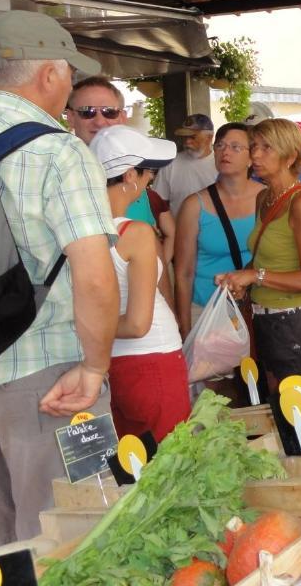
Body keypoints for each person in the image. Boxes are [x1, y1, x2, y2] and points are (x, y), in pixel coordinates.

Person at [0, 10, 118, 551]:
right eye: (68, 74)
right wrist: (95, 367)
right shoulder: (57, 150)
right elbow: (95, 275)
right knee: (80, 531)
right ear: (48, 75)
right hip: (49, 377)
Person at [90, 125, 190, 441]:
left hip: (107, 362)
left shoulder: (78, 229)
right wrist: (84, 327)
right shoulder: (135, 232)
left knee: (131, 465)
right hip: (153, 360)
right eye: (149, 174)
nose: (150, 182)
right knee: (173, 464)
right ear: (131, 176)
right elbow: (137, 324)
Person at [215, 119, 301, 386]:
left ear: (289, 157)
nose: (255, 154)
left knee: (298, 410)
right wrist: (240, 279)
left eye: (266, 148)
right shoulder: (263, 198)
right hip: (264, 317)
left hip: (294, 322)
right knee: (279, 404)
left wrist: (255, 276)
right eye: (254, 146)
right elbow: (262, 257)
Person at [66, 76, 175, 269]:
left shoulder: (136, 180)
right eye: (87, 112)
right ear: (71, 117)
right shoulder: (61, 177)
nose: (99, 121)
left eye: (109, 112)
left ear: (122, 117)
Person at [174, 122, 263, 338]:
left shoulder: (266, 198)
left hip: (256, 307)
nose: (225, 152)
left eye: (235, 147)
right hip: (206, 310)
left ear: (251, 157)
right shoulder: (195, 205)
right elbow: (183, 273)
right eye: (220, 145)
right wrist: (185, 328)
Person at [153, 113, 219, 216]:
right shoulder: (170, 164)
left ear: (209, 137)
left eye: (193, 137)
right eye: (184, 137)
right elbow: (159, 203)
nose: (187, 142)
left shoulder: (221, 164)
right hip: (177, 231)